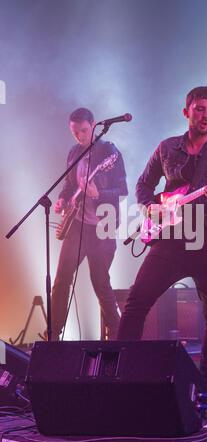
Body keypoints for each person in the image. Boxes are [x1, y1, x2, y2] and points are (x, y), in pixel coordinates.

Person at [117, 87, 207, 406]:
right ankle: (119, 375)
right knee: (136, 304)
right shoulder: (166, 148)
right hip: (171, 239)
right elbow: (144, 184)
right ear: (186, 111)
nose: (206, 115)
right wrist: (150, 207)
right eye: (200, 109)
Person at [51, 107, 128, 341]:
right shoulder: (74, 153)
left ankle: (117, 336)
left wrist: (99, 193)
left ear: (94, 125)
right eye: (75, 133)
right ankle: (53, 335)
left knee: (100, 283)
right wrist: (63, 199)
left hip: (102, 227)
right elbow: (69, 184)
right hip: (77, 225)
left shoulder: (109, 153)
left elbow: (122, 191)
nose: (80, 137)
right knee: (61, 280)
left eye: (84, 131)